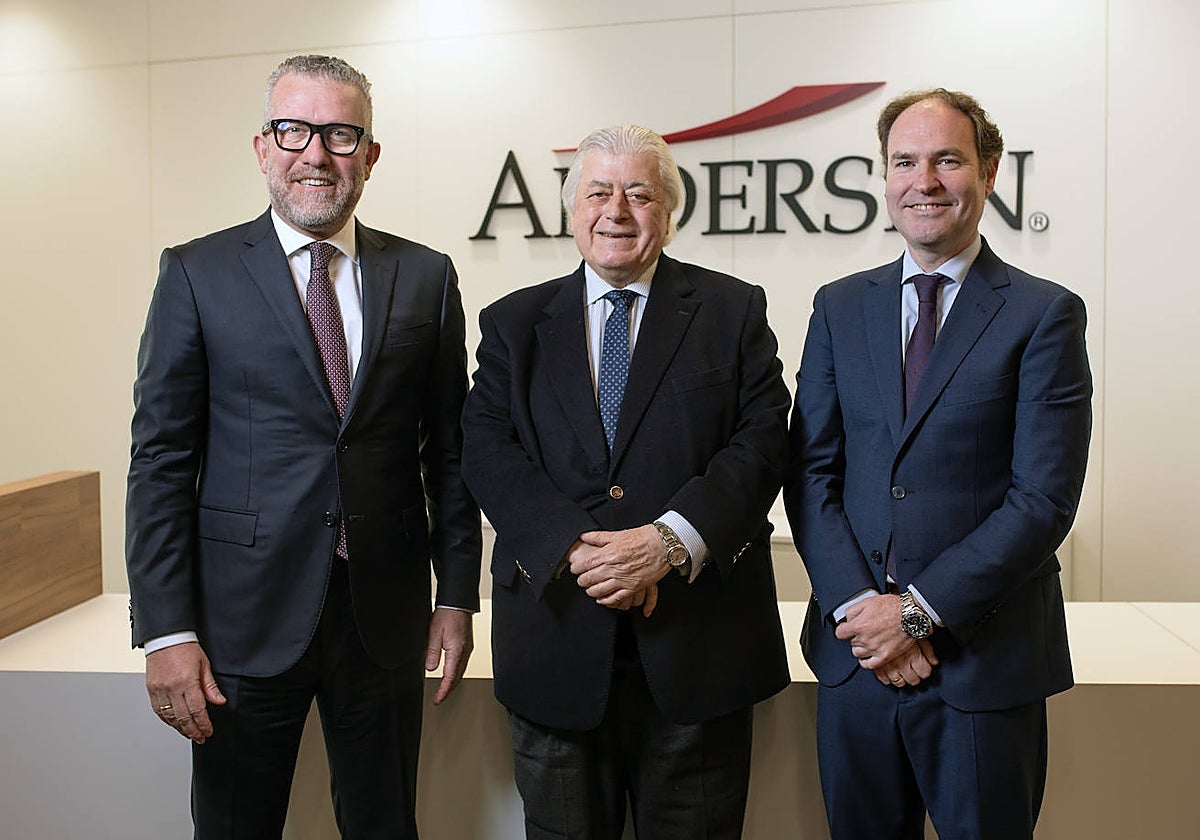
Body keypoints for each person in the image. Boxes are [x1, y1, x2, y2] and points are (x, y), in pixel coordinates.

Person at [125, 54, 481, 838]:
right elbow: (160, 462)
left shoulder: (426, 277)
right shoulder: (196, 273)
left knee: (385, 825)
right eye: (293, 130)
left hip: (383, 617)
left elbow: (452, 455)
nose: (316, 153)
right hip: (240, 619)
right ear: (263, 147)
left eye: (340, 134)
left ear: (371, 155)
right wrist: (166, 631)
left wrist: (456, 594)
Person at [460, 124, 791, 839]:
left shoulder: (732, 311)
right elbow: (486, 448)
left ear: (668, 212)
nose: (616, 211)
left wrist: (666, 543)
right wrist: (576, 549)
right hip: (555, 641)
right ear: (571, 210)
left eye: (638, 194)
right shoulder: (513, 322)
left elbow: (763, 441)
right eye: (598, 192)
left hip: (700, 647)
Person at [785, 88, 1092, 839]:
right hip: (857, 662)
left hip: (982, 664)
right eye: (905, 162)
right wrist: (862, 614)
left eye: (947, 160)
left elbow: (1043, 499)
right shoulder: (838, 307)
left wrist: (917, 614)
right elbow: (811, 474)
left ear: (988, 172)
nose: (923, 181)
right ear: (884, 176)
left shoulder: (1043, 314)